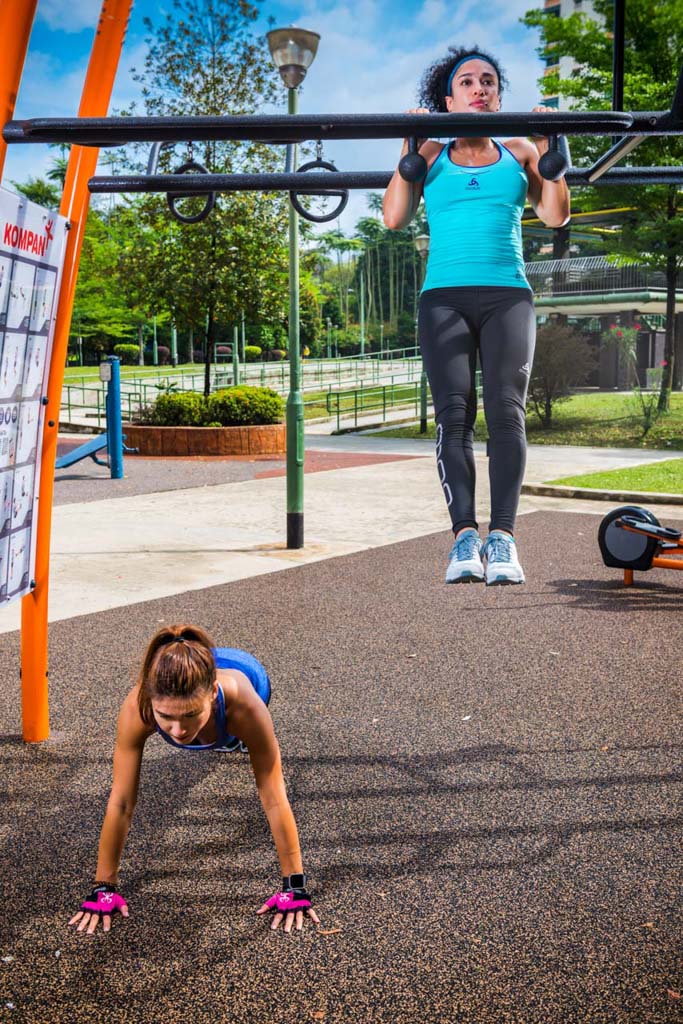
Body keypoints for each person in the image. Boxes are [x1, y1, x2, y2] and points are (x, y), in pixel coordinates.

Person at [383, 47, 570, 585]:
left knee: (506, 413)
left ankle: (504, 539)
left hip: (508, 294)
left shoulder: (518, 153)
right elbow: (394, 217)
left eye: (489, 81)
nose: (479, 88)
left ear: (498, 96)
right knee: (454, 416)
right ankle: (464, 538)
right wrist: (408, 141)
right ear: (449, 99)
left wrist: (550, 146)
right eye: (467, 82)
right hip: (442, 297)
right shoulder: (431, 153)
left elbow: (554, 214)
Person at [68, 624, 319, 935]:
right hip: (189, 667)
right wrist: (103, 886)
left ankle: (229, 737)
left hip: (246, 670)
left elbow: (272, 794)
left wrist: (294, 885)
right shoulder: (139, 706)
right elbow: (121, 802)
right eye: (166, 717)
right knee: (195, 734)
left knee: (233, 742)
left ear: (212, 694)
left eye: (189, 715)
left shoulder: (244, 705)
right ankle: (211, 726)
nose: (177, 730)